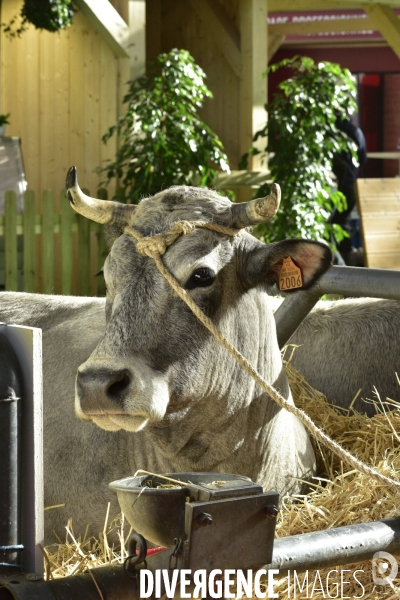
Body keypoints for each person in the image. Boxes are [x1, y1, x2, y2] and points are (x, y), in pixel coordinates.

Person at [330, 115, 367, 265]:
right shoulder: (355, 132)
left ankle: (336, 262)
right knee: (343, 223)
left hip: (331, 186)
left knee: (331, 224)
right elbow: (363, 158)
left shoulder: (330, 132)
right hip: (349, 185)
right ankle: (345, 263)